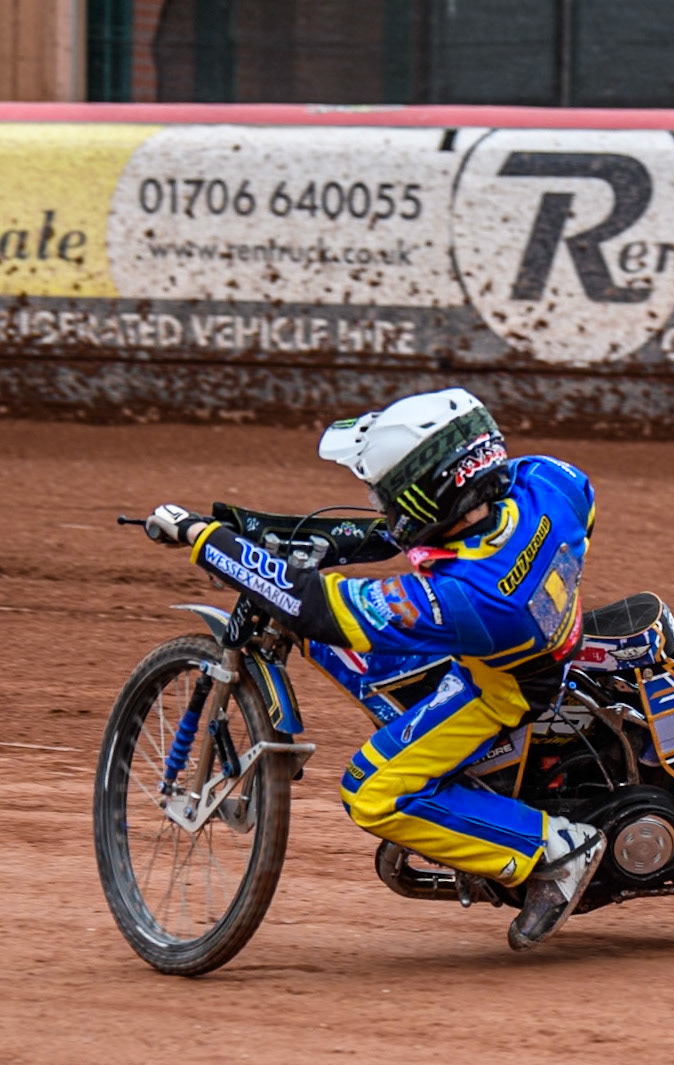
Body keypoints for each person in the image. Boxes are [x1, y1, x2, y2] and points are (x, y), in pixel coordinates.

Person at [143, 388, 604, 950]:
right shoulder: (546, 483)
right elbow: (576, 503)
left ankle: (553, 851)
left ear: (431, 490)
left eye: (387, 493)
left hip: (502, 686)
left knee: (372, 790)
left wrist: (205, 539)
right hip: (547, 633)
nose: (381, 502)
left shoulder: (466, 596)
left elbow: (310, 608)